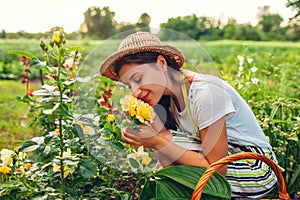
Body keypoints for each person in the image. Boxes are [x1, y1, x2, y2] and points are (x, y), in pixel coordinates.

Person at [99, 31, 278, 199]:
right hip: (223, 166)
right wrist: (148, 127)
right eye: (129, 86)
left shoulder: (206, 92)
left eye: (138, 79)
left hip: (256, 169)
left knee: (168, 141)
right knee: (165, 161)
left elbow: (217, 174)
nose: (135, 91)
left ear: (161, 64)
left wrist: (158, 141)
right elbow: (171, 166)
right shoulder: (165, 100)